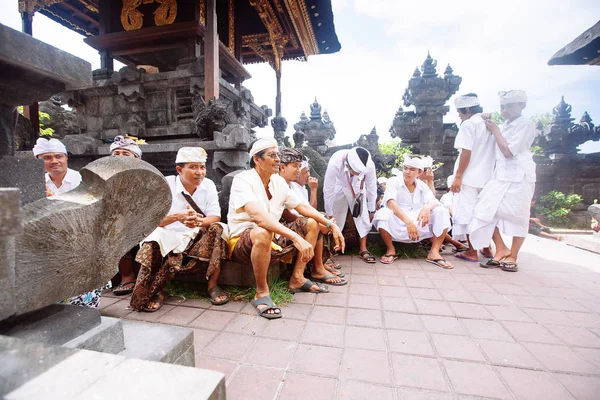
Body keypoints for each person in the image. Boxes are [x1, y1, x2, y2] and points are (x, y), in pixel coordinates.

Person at [227, 138, 345, 319]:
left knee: (312, 222)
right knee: (262, 231)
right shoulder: (243, 180)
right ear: (257, 160)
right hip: (243, 240)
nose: (277, 160)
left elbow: (302, 207)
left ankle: (297, 278)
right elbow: (258, 217)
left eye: (278, 156)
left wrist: (330, 224)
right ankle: (261, 293)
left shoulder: (278, 182)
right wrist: (296, 238)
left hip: (273, 237)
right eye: (272, 155)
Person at [130, 147, 228, 312]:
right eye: (193, 167)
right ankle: (157, 290)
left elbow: (215, 217)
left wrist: (198, 221)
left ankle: (212, 285)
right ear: (179, 170)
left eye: (202, 167)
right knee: (152, 239)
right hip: (167, 233)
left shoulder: (208, 185)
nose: (200, 172)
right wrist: (177, 217)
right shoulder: (164, 184)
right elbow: (149, 221)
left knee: (218, 228)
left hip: (195, 235)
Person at [470, 90, 537, 272]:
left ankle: (513, 255)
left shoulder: (526, 124)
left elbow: (508, 151)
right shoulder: (505, 125)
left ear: (521, 106)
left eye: (509, 106)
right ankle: (501, 248)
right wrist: (488, 124)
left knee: (519, 216)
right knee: (483, 210)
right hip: (500, 176)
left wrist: (496, 130)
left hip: (520, 176)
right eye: (502, 106)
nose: (505, 110)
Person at [373, 155, 453, 269]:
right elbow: (390, 202)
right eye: (405, 168)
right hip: (398, 220)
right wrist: (408, 222)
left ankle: (434, 252)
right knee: (382, 214)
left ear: (419, 172)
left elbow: (433, 201)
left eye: (412, 169)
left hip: (418, 222)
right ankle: (391, 249)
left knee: (441, 211)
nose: (407, 172)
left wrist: (426, 208)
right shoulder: (393, 181)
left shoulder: (422, 185)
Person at [278, 148, 346, 281]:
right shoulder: (278, 183)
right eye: (295, 166)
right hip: (279, 227)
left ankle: (319, 265)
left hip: (287, 223)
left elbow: (304, 208)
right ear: (281, 167)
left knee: (319, 218)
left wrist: (329, 224)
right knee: (313, 222)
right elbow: (287, 215)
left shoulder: (288, 185)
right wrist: (323, 223)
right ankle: (315, 269)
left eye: (299, 167)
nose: (298, 171)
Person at [449, 94, 496, 262]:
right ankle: (487, 248)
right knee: (485, 213)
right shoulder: (490, 125)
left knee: (467, 213)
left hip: (469, 178)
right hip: (488, 177)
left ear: (467, 109)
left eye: (460, 112)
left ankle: (472, 251)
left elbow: (466, 151)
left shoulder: (469, 124)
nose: (459, 115)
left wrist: (458, 177)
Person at [323, 146, 377, 263]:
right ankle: (333, 248)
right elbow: (328, 189)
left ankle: (363, 248)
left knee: (362, 216)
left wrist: (372, 210)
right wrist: (329, 214)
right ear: (348, 165)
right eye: (356, 172)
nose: (358, 174)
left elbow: (372, 187)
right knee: (335, 217)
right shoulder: (336, 161)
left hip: (358, 187)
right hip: (339, 186)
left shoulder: (369, 165)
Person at [109, 136, 143, 296]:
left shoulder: (145, 177)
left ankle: (128, 276)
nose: (120, 157)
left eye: (126, 154)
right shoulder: (104, 177)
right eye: (117, 153)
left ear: (137, 158)